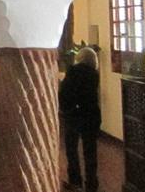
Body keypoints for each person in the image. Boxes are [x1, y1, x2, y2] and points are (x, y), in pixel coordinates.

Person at [59, 47, 101, 192]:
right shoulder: (94, 74)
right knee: (90, 151)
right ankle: (92, 183)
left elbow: (65, 91)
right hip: (91, 115)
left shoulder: (73, 71)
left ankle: (75, 181)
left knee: (72, 149)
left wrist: (65, 109)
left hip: (75, 115)